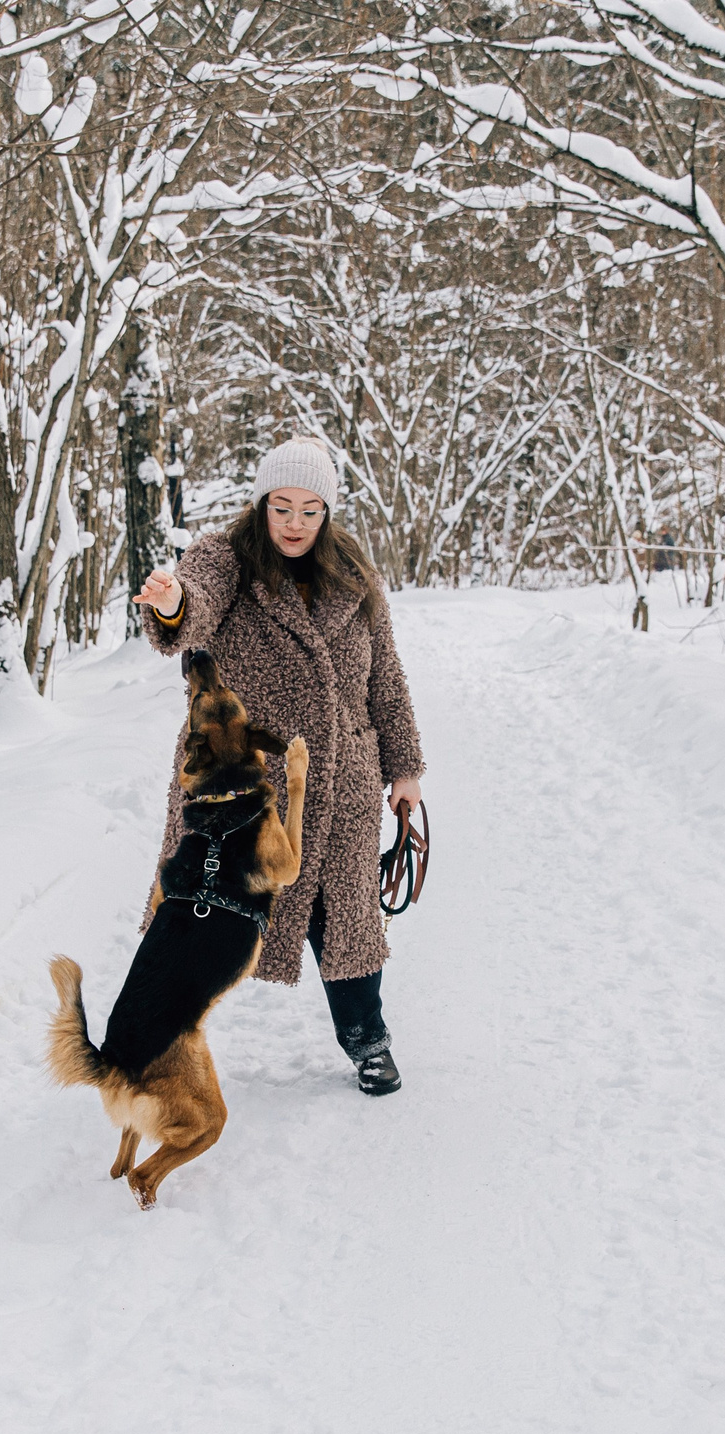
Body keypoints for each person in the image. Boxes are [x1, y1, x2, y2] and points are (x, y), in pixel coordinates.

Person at [131, 438, 424, 1096]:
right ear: (262, 503)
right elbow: (193, 607)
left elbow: (387, 681)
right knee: (198, 913)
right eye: (282, 506)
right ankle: (153, 1035)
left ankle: (366, 1039)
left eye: (310, 510)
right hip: (245, 780)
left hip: (342, 782)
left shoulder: (356, 577)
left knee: (346, 918)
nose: (294, 522)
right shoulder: (226, 558)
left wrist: (404, 767)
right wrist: (173, 601)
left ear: (328, 513)